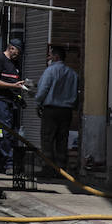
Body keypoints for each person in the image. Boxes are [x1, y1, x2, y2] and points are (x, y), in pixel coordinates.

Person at [34, 45, 78, 177]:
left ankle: (48, 167)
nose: (48, 58)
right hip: (66, 111)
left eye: (50, 55)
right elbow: (76, 94)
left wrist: (38, 102)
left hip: (51, 110)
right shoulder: (73, 74)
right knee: (62, 139)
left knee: (47, 139)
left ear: (56, 57)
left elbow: (43, 90)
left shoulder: (50, 71)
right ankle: (61, 169)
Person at [0, 38, 26, 174]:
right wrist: (12, 86)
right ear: (11, 48)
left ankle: (0, 164)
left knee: (10, 134)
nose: (18, 55)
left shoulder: (15, 64)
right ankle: (9, 164)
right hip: (0, 102)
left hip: (11, 102)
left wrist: (19, 96)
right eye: (17, 52)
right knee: (4, 133)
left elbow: (14, 84)